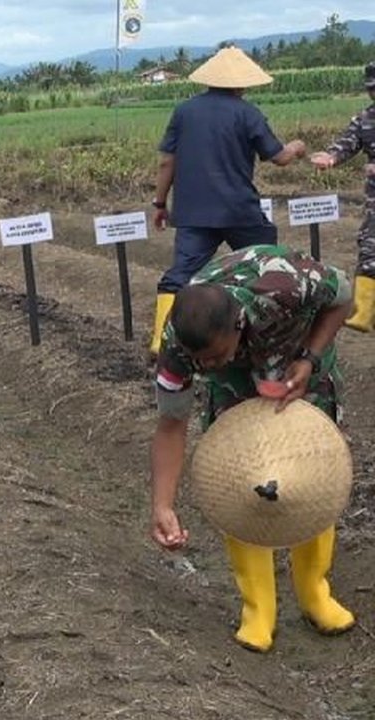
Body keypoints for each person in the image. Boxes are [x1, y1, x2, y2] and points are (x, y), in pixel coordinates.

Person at [150, 244, 356, 653]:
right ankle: (259, 610)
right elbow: (171, 425)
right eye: (199, 361)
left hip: (298, 363)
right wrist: (163, 505)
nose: (206, 366)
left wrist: (309, 357)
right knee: (239, 479)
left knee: (311, 475)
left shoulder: (284, 284)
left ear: (238, 325)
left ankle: (314, 593)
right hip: (239, 384)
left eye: (214, 356)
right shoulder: (178, 346)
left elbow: (344, 297)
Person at [149, 46, 308, 355]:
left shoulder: (183, 112)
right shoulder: (248, 113)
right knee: (266, 263)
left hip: (193, 212)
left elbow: (167, 162)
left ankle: (162, 341)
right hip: (239, 210)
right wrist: (297, 147)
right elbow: (279, 158)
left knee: (180, 274)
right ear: (242, 83)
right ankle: (268, 334)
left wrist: (159, 203)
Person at [310, 61, 375, 331]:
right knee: (370, 247)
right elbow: (348, 143)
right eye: (371, 89)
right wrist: (332, 157)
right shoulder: (365, 118)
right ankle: (364, 313)